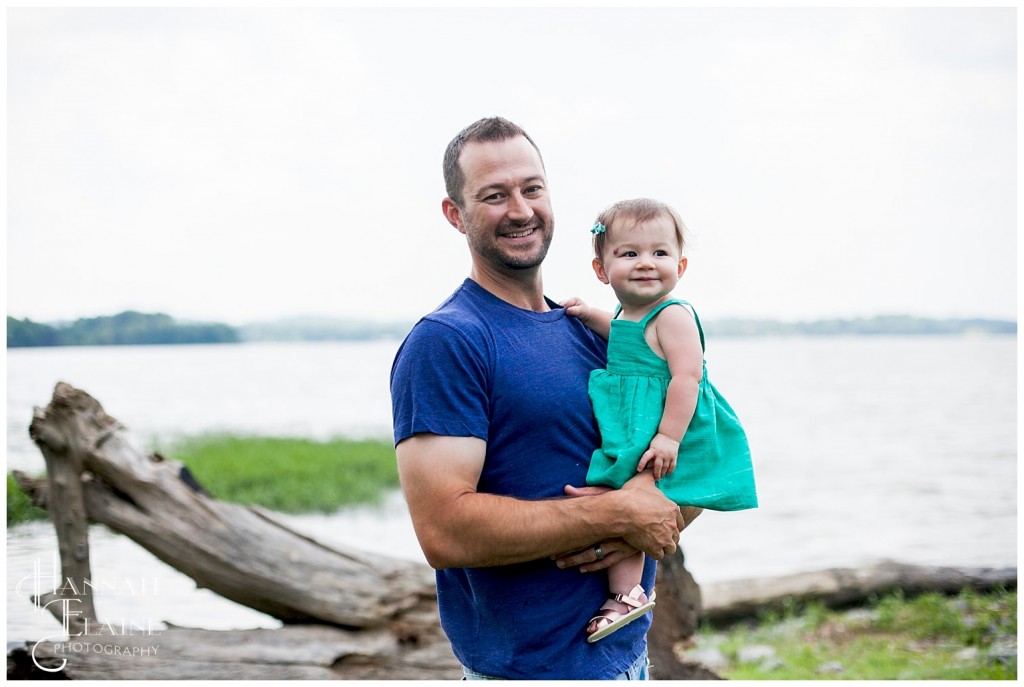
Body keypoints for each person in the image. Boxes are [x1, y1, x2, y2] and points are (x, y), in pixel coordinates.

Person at [389, 117, 702, 680]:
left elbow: (699, 448)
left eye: (532, 188)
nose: (520, 209)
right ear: (455, 215)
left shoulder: (598, 331)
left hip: (628, 661)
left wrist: (644, 517)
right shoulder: (448, 342)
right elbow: (444, 530)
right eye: (494, 195)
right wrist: (614, 512)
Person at [562, 198, 758, 643]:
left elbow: (688, 377)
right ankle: (622, 576)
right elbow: (628, 341)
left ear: (681, 264)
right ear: (601, 268)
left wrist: (669, 438)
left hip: (670, 428)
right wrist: (589, 315)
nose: (646, 263)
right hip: (642, 425)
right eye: (629, 253)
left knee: (631, 504)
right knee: (618, 495)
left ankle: (629, 594)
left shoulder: (673, 314)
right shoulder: (627, 313)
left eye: (660, 253)